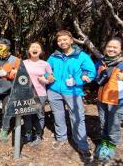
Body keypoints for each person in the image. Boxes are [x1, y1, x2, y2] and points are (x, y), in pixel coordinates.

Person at [47, 30, 96, 162]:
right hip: (54, 90)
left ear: (71, 40)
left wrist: (77, 81)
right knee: (58, 114)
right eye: (59, 40)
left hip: (73, 92)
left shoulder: (82, 56)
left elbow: (91, 73)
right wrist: (48, 77)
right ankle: (61, 137)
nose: (62, 42)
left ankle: (82, 145)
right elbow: (46, 70)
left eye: (65, 39)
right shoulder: (54, 56)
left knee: (78, 117)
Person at [94, 37, 123, 162]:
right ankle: (104, 143)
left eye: (115, 47)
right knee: (104, 123)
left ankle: (110, 147)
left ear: (121, 50)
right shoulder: (101, 62)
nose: (111, 49)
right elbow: (94, 76)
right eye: (109, 47)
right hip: (102, 100)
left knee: (114, 126)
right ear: (105, 48)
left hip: (118, 102)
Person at [0, 38, 20, 142]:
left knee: (6, 110)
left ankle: (5, 130)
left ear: (8, 47)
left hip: (8, 89)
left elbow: (20, 76)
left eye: (1, 45)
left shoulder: (15, 60)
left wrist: (7, 74)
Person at [22, 42, 54, 146]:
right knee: (27, 115)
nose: (35, 48)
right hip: (27, 93)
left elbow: (51, 78)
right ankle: (28, 133)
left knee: (39, 115)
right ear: (29, 50)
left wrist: (46, 80)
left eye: (37, 47)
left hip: (40, 93)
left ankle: (38, 135)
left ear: (40, 51)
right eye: (32, 47)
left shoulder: (45, 64)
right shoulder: (23, 63)